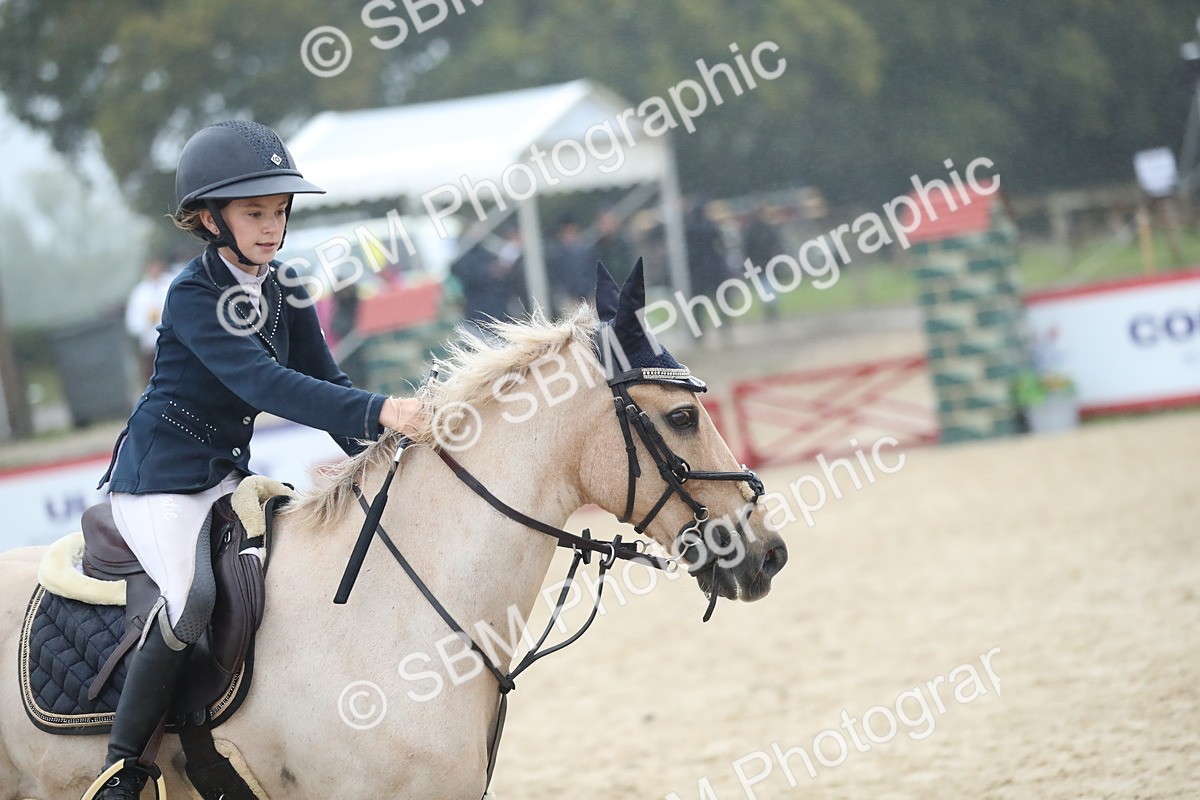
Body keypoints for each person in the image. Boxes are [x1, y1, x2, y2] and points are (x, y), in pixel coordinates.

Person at [84, 120, 422, 799]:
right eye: (254, 213)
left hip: (224, 476)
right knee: (191, 601)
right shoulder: (191, 294)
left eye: (279, 212)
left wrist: (392, 452)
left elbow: (329, 384)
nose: (271, 227)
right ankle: (123, 771)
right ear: (209, 218)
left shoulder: (287, 287)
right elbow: (263, 385)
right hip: (161, 481)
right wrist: (382, 408)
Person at [123, 258, 175, 383]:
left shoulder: (173, 282)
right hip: (153, 348)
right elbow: (132, 325)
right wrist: (147, 319)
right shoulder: (140, 293)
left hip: (178, 342)